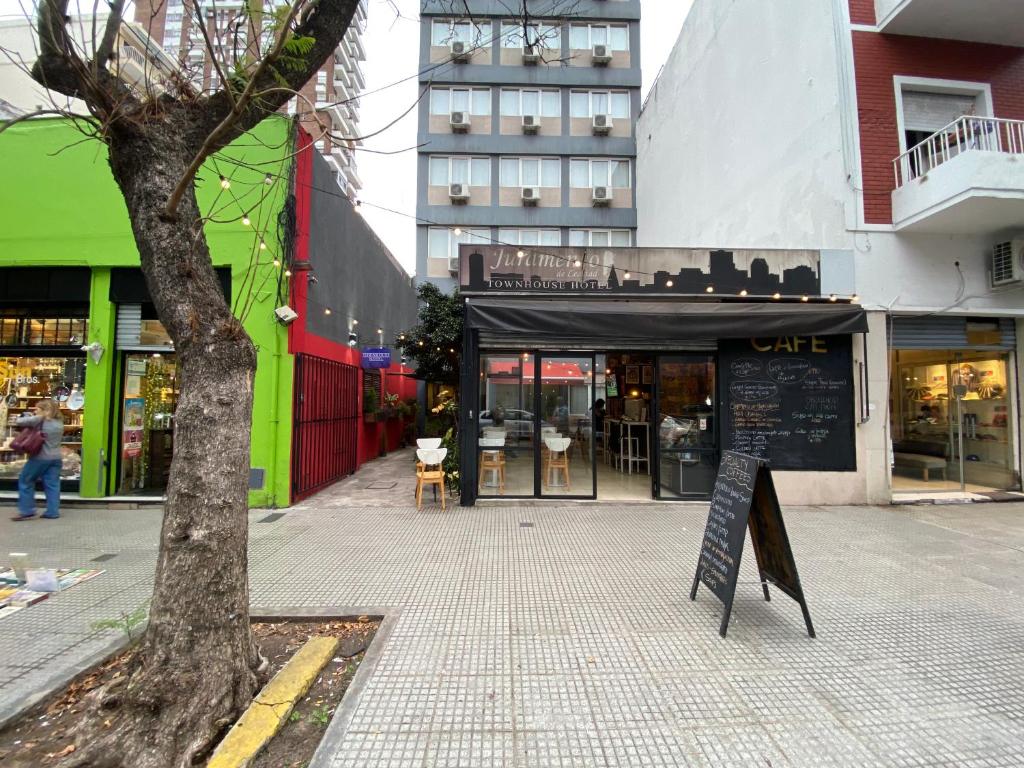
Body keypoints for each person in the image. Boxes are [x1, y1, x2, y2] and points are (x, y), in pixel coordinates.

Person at [12, 399, 64, 521]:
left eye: (37, 409)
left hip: (40, 457)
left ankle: (27, 511)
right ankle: (52, 511)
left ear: (45, 410)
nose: (35, 411)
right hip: (56, 457)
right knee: (52, 485)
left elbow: (19, 421)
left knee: (25, 480)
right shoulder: (59, 423)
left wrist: (30, 416)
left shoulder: (39, 419)